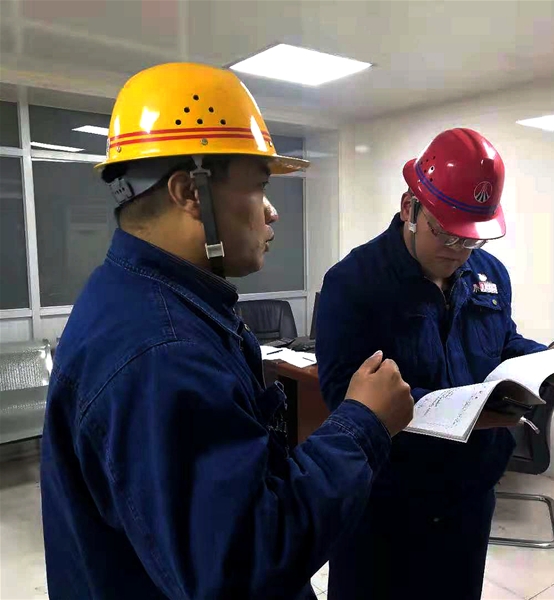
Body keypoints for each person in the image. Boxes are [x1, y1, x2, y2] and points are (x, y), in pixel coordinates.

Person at [39, 62, 414, 600]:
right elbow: (243, 566)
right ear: (190, 192)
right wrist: (363, 423)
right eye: (259, 186)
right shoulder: (161, 352)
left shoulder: (147, 299)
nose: (272, 212)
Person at [315, 128, 554, 600]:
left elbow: (502, 341)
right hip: (386, 498)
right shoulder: (353, 282)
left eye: (471, 239)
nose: (457, 251)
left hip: (469, 495)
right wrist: (465, 413)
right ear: (410, 208)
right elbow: (343, 394)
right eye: (445, 232)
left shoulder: (489, 272)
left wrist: (543, 357)